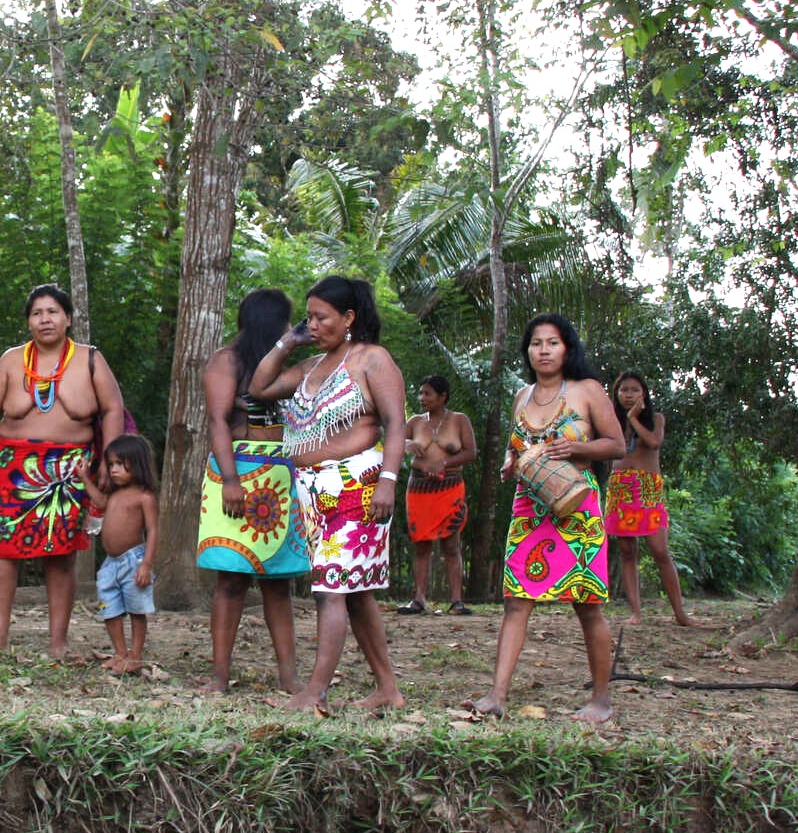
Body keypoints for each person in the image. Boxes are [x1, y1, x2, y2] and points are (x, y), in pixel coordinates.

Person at [248, 276, 408, 713]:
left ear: (349, 318)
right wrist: (288, 341)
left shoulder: (372, 360)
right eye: (309, 317)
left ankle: (315, 692)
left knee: (331, 589)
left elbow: (396, 424)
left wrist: (390, 481)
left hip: (359, 485)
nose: (312, 324)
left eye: (321, 317)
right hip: (313, 492)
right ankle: (388, 689)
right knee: (356, 592)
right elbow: (259, 388)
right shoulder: (311, 366)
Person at [471, 314, 626, 723]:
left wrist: (576, 450)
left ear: (567, 348)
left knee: (587, 604)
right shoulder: (522, 396)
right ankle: (497, 695)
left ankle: (601, 700)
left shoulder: (588, 391)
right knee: (516, 600)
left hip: (577, 508)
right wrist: (509, 462)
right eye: (536, 343)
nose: (543, 350)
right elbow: (515, 446)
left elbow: (617, 445)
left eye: (552, 342)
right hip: (528, 507)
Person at [0, 284, 125, 662]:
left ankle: (58, 641)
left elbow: (113, 409)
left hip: (70, 469)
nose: (45, 319)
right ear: (28, 322)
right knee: (0, 551)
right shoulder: (10, 360)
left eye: (53, 311)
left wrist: (108, 460)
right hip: (12, 466)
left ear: (68, 318)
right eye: (37, 313)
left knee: (61, 555)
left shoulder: (89, 358)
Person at [196, 289, 308, 693]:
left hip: (280, 476)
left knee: (278, 583)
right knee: (231, 579)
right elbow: (218, 421)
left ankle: (289, 677)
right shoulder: (227, 361)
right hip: (238, 472)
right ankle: (219, 676)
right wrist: (230, 479)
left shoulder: (282, 364)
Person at [606, 372, 701, 627]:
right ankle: (636, 613)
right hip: (621, 489)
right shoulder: (610, 422)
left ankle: (680, 613)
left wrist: (633, 419)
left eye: (634, 390)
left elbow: (654, 442)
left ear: (643, 394)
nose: (628, 395)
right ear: (616, 394)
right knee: (627, 552)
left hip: (647, 489)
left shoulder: (656, 419)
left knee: (660, 550)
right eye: (623, 390)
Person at [400, 374, 477, 616]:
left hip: (450, 487)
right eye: (420, 393)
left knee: (451, 545)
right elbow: (392, 439)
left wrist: (443, 463)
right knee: (421, 545)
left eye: (427, 394)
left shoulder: (458, 420)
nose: (422, 398)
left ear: (443, 396)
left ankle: (456, 601)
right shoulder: (414, 422)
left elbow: (470, 452)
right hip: (419, 489)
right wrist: (407, 446)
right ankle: (419, 599)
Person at [97, 433, 160, 675]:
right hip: (110, 564)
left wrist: (146, 564)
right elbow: (99, 502)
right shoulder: (113, 494)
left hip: (133, 560)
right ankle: (120, 653)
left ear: (137, 463)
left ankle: (136, 655)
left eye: (120, 464)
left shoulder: (144, 497)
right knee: (108, 607)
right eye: (111, 464)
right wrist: (84, 479)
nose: (113, 470)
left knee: (136, 609)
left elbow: (153, 531)